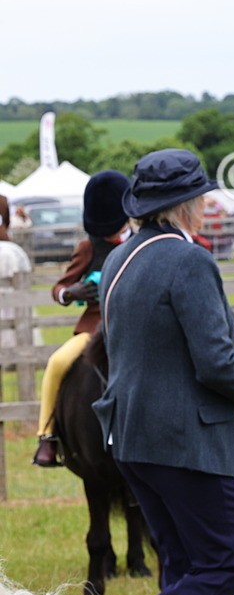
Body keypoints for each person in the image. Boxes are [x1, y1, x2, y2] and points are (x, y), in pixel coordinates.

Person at [80, 149, 234, 595]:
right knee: (227, 566)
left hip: (132, 438)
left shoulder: (120, 257)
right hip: (182, 442)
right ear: (187, 204)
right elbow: (216, 364)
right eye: (200, 196)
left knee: (187, 569)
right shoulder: (190, 259)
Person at [32, 171, 132, 467]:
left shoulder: (141, 242)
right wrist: (71, 292)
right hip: (94, 328)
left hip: (133, 326)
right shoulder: (88, 247)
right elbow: (59, 288)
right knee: (57, 362)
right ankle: (47, 436)